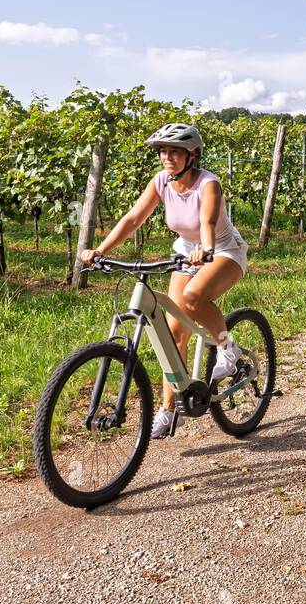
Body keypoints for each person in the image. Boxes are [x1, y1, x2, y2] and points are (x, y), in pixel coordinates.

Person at [79, 122, 249, 436]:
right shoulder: (161, 182)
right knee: (172, 336)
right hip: (185, 252)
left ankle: (228, 349)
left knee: (194, 297)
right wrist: (100, 250)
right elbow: (133, 218)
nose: (167, 158)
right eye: (163, 152)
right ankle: (170, 411)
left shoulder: (208, 184)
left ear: (192, 155)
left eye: (175, 152)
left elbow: (207, 221)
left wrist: (206, 248)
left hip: (223, 250)